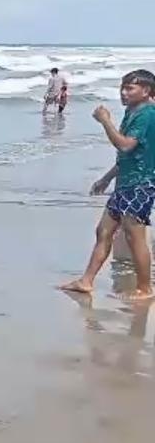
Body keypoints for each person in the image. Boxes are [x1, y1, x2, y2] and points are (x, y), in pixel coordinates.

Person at [60, 70, 155, 301]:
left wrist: (105, 121)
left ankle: (145, 289)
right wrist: (107, 178)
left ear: (146, 91)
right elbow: (128, 156)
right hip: (125, 182)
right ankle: (86, 281)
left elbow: (125, 145)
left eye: (130, 88)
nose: (123, 92)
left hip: (141, 184)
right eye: (122, 87)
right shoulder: (132, 112)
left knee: (135, 236)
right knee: (103, 231)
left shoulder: (147, 115)